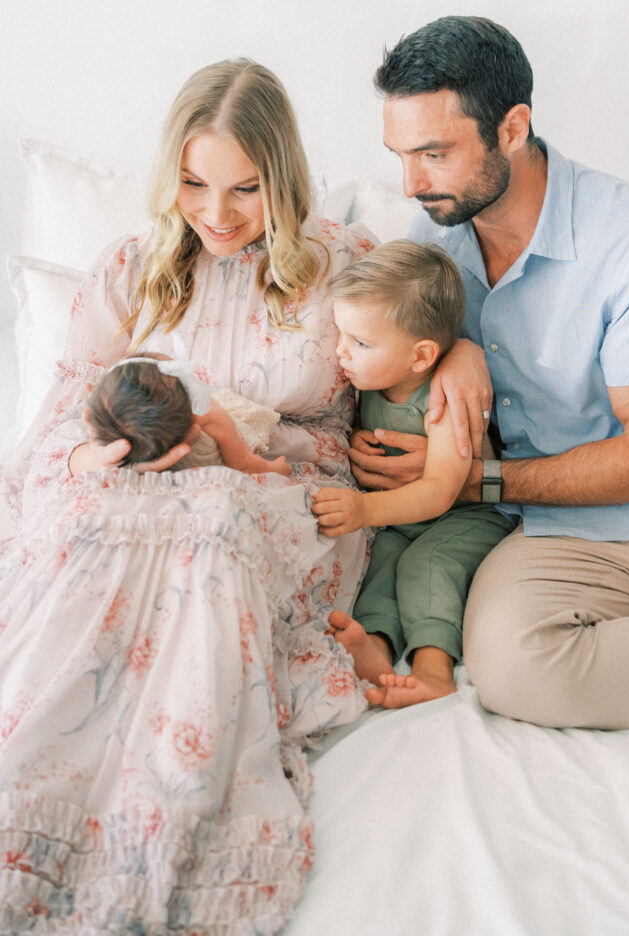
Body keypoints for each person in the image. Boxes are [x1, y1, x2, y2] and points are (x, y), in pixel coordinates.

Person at [1, 58, 388, 932]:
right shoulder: (132, 268)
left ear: (283, 178)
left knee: (211, 519)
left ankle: (168, 805)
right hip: (134, 481)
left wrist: (463, 357)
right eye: (192, 184)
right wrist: (88, 466)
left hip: (276, 493)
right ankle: (34, 791)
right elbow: (64, 415)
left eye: (245, 189)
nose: (216, 215)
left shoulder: (342, 266)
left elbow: (425, 333)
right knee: (98, 527)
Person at [354, 15, 629, 731]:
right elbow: (403, 342)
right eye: (399, 155)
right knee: (511, 668)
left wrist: (475, 481)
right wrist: (461, 348)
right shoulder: (434, 234)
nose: (410, 183)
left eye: (433, 153)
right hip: (556, 527)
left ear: (511, 128)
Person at [310, 241, 514, 708]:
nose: (341, 352)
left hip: (467, 517)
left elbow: (442, 490)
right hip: (404, 519)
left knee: (427, 566)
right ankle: (377, 647)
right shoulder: (374, 378)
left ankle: (433, 668)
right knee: (380, 559)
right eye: (341, 334)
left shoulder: (443, 401)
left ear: (421, 357)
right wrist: (360, 437)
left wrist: (364, 507)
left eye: (359, 343)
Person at [85, 353, 291, 475]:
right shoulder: (210, 414)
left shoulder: (113, 439)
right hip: (216, 469)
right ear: (193, 412)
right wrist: (274, 469)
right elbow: (243, 464)